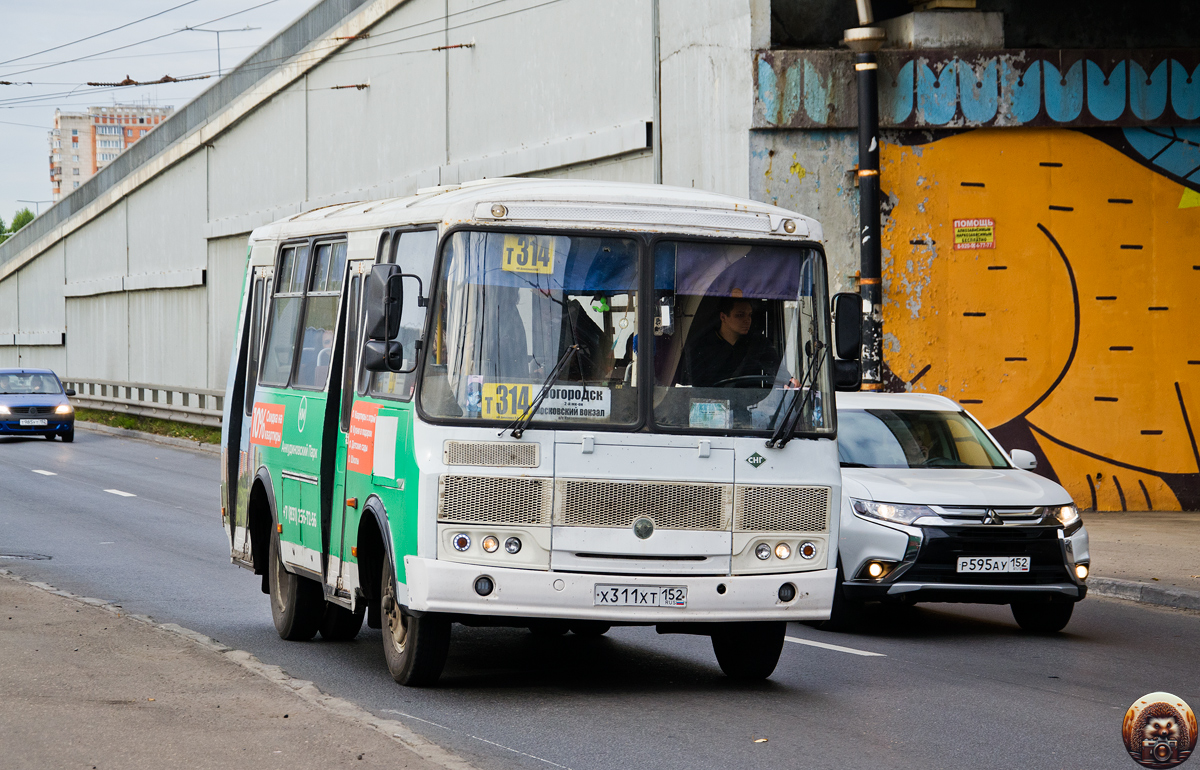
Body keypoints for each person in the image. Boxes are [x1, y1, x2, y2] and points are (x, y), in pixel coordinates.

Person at [680, 297, 782, 387]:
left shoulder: (758, 343)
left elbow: (777, 371)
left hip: (750, 404)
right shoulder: (701, 346)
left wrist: (788, 381)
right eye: (740, 315)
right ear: (723, 317)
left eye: (749, 315)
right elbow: (693, 384)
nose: (747, 320)